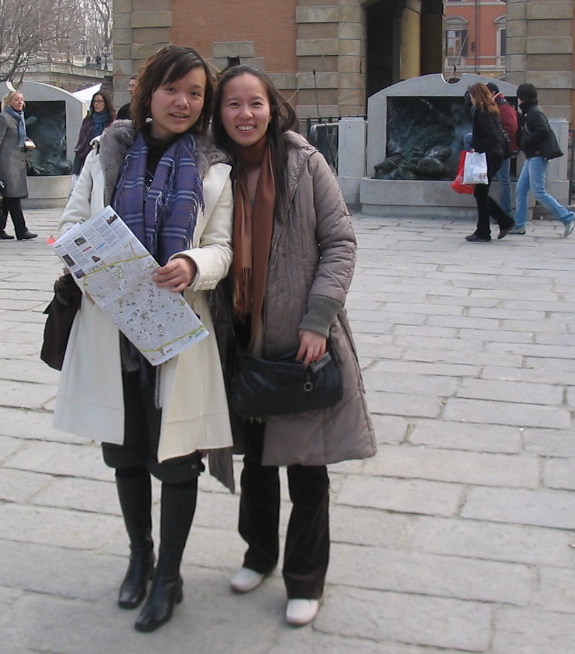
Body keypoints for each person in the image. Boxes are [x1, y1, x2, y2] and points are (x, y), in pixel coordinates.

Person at [53, 45, 234, 633]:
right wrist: (80, 252)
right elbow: (72, 218)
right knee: (125, 453)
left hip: (178, 332)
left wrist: (191, 264)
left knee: (177, 460)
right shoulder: (106, 152)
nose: (183, 102)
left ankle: (170, 576)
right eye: (172, 89)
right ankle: (140, 557)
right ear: (148, 90)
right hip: (114, 324)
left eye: (196, 93)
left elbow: (225, 247)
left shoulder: (214, 166)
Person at [212, 65, 376, 627]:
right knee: (256, 462)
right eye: (233, 104)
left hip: (300, 341)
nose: (245, 115)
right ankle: (259, 553)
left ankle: (306, 578)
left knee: (307, 468)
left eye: (254, 102)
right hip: (242, 339)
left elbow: (340, 242)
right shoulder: (213, 168)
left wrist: (317, 319)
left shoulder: (305, 163)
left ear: (272, 105)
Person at [509, 83, 575, 237]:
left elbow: (543, 131)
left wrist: (526, 141)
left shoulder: (534, 113)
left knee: (539, 192)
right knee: (521, 190)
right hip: (532, 156)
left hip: (537, 156)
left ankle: (567, 216)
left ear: (522, 98)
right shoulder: (531, 112)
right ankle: (519, 225)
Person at [465, 83, 516, 242]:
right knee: (480, 193)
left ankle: (486, 230)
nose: (471, 99)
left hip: (490, 155)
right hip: (494, 155)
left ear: (477, 96)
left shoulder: (483, 112)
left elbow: (494, 136)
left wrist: (477, 146)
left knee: (480, 193)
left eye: (472, 95)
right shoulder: (490, 109)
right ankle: (500, 222)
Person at [0, 91, 37, 241]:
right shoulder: (3, 118)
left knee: (6, 199)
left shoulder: (19, 118)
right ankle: (21, 230)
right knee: (13, 197)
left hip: (17, 162)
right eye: (16, 99)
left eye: (21, 99)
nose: (20, 102)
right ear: (8, 102)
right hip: (5, 163)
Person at [487, 82, 518, 215]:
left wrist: (500, 142)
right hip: (501, 147)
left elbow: (511, 128)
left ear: (492, 92)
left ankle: (506, 211)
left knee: (504, 180)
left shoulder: (502, 105)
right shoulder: (498, 104)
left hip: (503, 149)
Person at [72, 90, 114, 175]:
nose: (96, 104)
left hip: (106, 162)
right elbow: (81, 145)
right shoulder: (88, 121)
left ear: (106, 103)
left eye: (100, 101)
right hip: (87, 159)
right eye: (95, 101)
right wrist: (75, 171)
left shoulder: (112, 122)